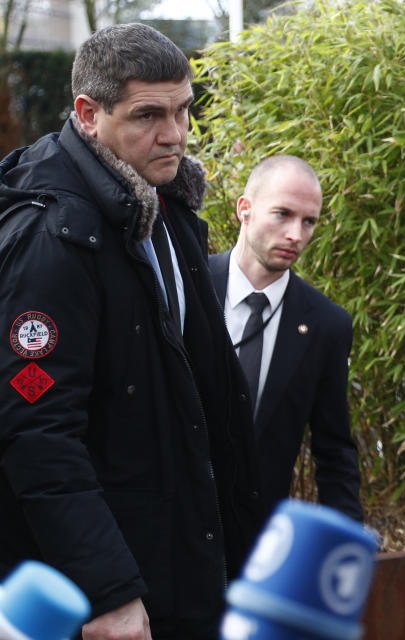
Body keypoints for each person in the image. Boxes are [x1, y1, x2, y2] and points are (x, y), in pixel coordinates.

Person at [0, 23, 264, 639]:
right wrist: (108, 591)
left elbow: (197, 398)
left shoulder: (158, 200)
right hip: (113, 594)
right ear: (89, 114)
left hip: (179, 565)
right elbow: (37, 430)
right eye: (148, 115)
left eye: (183, 110)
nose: (174, 134)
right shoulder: (53, 238)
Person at [209, 155, 362, 521]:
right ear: (244, 209)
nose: (296, 235)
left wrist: (342, 553)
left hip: (257, 538)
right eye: (283, 214)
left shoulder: (327, 324)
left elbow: (335, 452)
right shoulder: (186, 285)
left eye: (309, 221)